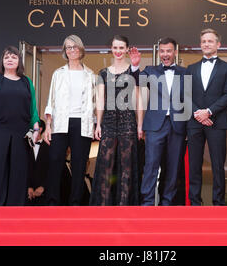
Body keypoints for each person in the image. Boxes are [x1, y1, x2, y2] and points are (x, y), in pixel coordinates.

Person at [0, 46, 40, 206]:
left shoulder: (27, 82)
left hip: (21, 134)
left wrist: (36, 128)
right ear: (2, 62)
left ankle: (15, 213)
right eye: (7, 57)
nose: (10, 60)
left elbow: (33, 109)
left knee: (18, 174)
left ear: (19, 61)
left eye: (14, 57)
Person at [90, 35, 142, 206]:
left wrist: (140, 125)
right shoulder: (103, 73)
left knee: (127, 167)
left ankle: (125, 207)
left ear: (127, 49)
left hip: (128, 123)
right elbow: (100, 100)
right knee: (106, 166)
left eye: (121, 48)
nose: (118, 51)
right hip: (109, 123)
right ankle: (104, 208)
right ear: (111, 49)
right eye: (115, 48)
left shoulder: (133, 71)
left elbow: (139, 99)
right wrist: (98, 124)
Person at [44, 34, 96, 205]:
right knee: (55, 161)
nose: (72, 50)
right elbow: (51, 101)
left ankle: (75, 203)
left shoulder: (91, 75)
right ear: (64, 51)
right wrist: (48, 126)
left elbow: (96, 103)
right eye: (68, 47)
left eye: (75, 47)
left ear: (81, 49)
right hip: (60, 123)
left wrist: (97, 124)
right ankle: (52, 201)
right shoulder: (58, 74)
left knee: (79, 164)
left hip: (82, 123)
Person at [186, 28, 227, 206]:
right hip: (194, 123)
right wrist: (198, 113)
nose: (206, 44)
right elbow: (185, 95)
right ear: (200, 45)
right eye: (203, 41)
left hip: (216, 122)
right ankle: (195, 204)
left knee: (217, 165)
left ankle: (219, 204)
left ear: (218, 44)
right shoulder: (190, 69)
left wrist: (208, 111)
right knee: (194, 166)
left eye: (210, 41)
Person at [138, 37, 189, 206]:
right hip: (154, 126)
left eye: (169, 51)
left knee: (173, 167)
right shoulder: (150, 70)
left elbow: (188, 101)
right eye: (162, 51)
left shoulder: (185, 72)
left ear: (175, 52)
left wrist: (188, 128)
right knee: (151, 165)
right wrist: (134, 65)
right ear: (159, 53)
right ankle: (147, 202)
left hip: (178, 126)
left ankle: (166, 203)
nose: (165, 54)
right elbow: (135, 80)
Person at [27, 119, 49, 205]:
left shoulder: (49, 148)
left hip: (44, 195)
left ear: (40, 129)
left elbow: (51, 171)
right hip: (26, 195)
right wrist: (28, 187)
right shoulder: (25, 146)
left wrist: (43, 187)